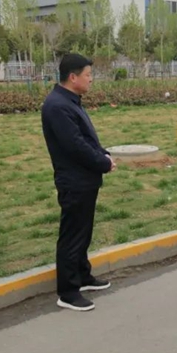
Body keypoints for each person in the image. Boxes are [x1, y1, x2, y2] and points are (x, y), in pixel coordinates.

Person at [41, 54, 116, 312]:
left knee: (83, 232)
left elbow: (86, 138)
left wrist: (103, 154)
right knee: (72, 236)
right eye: (88, 75)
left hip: (85, 179)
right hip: (74, 181)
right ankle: (68, 291)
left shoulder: (69, 101)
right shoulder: (57, 106)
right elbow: (74, 146)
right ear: (73, 77)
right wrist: (102, 162)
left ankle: (82, 275)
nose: (91, 79)